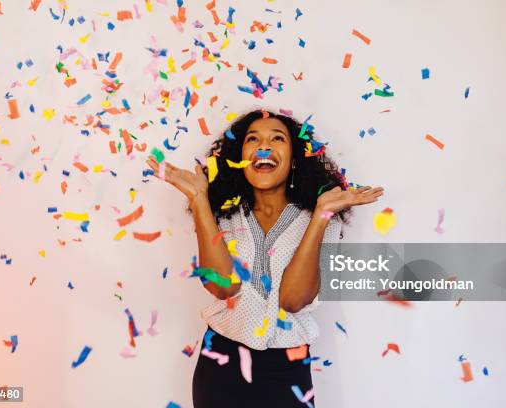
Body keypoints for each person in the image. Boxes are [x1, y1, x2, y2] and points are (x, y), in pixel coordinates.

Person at [146, 109, 384, 407]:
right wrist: (199, 201)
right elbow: (222, 286)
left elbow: (293, 300)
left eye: (277, 138)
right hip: (221, 367)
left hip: (287, 371)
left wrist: (321, 217)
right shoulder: (223, 214)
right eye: (253, 139)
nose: (264, 146)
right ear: (240, 156)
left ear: (295, 157)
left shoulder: (324, 218)